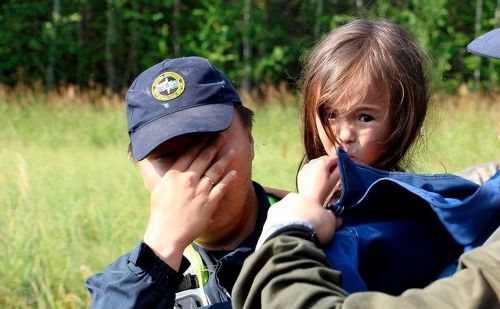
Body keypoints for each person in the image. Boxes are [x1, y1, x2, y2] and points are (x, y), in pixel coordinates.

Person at [231, 25, 500, 308]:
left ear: (403, 120)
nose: (344, 134)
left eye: (365, 118)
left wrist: (293, 225)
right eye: (331, 114)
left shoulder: (414, 217)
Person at [86, 56, 280, 308]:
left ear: (250, 140)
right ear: (140, 171)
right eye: (167, 157)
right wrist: (159, 254)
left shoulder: (312, 233)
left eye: (207, 145)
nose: (192, 175)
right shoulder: (124, 286)